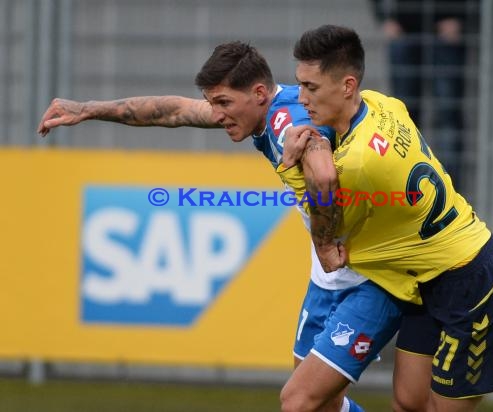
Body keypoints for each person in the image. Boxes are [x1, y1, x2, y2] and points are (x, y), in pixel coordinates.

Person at [38, 41, 405, 412]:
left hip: (368, 272)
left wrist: (326, 241)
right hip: (328, 279)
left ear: (259, 93)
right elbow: (173, 111)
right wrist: (87, 109)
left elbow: (322, 167)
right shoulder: (267, 112)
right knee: (322, 404)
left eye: (223, 104)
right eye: (212, 103)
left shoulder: (287, 122)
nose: (215, 116)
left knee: (300, 402)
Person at [278, 25, 493, 412]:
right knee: (407, 402)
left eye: (311, 88)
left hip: (474, 281)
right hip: (426, 279)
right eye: (299, 85)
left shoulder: (358, 164)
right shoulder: (382, 103)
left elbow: (332, 237)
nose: (302, 98)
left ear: (347, 85)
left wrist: (290, 166)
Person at [368, 0, 475, 191]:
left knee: (448, 113)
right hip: (403, 27)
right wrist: (384, 16)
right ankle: (408, 184)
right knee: (404, 115)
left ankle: (449, 190)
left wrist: (463, 17)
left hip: (447, 26)